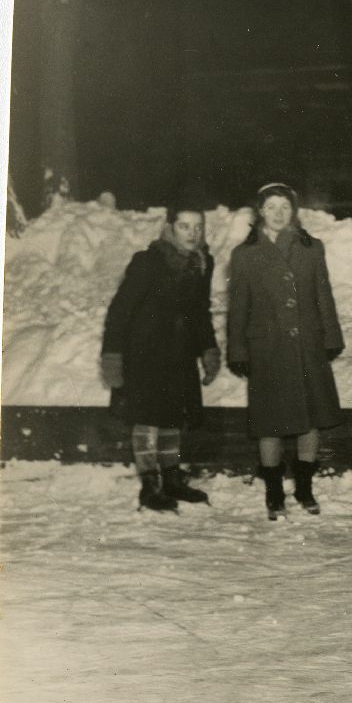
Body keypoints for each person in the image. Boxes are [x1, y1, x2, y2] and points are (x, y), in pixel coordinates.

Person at [226, 183, 345, 520]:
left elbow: (324, 295)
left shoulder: (311, 248)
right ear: (259, 212)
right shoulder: (244, 254)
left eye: (284, 207)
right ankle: (274, 491)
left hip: (307, 346)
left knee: (311, 421)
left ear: (293, 211)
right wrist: (237, 349)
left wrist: (331, 336)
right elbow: (238, 307)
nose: (278, 213)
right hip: (267, 349)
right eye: (271, 207)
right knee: (270, 423)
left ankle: (305, 488)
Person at [101, 201, 221, 511]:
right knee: (147, 418)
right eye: (184, 226)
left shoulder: (202, 262)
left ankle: (171, 478)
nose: (192, 233)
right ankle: (150, 485)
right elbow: (120, 311)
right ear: (169, 228)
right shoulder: (148, 261)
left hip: (179, 354)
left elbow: (199, 312)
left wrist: (208, 349)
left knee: (173, 416)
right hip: (144, 353)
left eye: (198, 227)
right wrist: (112, 356)